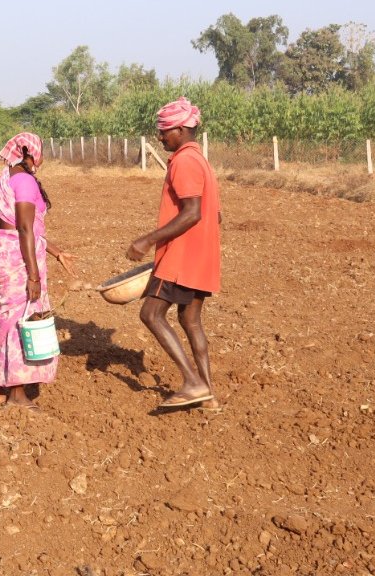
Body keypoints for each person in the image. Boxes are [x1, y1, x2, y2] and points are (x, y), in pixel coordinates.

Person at [127, 97, 222, 409]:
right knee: (190, 320)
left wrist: (147, 240)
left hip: (181, 258)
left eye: (164, 131)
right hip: (202, 259)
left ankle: (192, 382)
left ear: (181, 130)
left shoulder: (183, 162)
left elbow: (192, 213)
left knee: (150, 314)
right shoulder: (202, 161)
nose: (160, 137)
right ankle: (207, 394)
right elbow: (214, 215)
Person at [0, 132, 76, 409]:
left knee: (2, 320)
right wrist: (33, 275)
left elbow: (13, 226)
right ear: (30, 153)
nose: (43, 159)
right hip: (18, 259)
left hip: (2, 253)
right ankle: (17, 394)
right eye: (41, 152)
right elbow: (24, 228)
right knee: (20, 319)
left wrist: (56, 251)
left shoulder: (5, 176)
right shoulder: (24, 180)